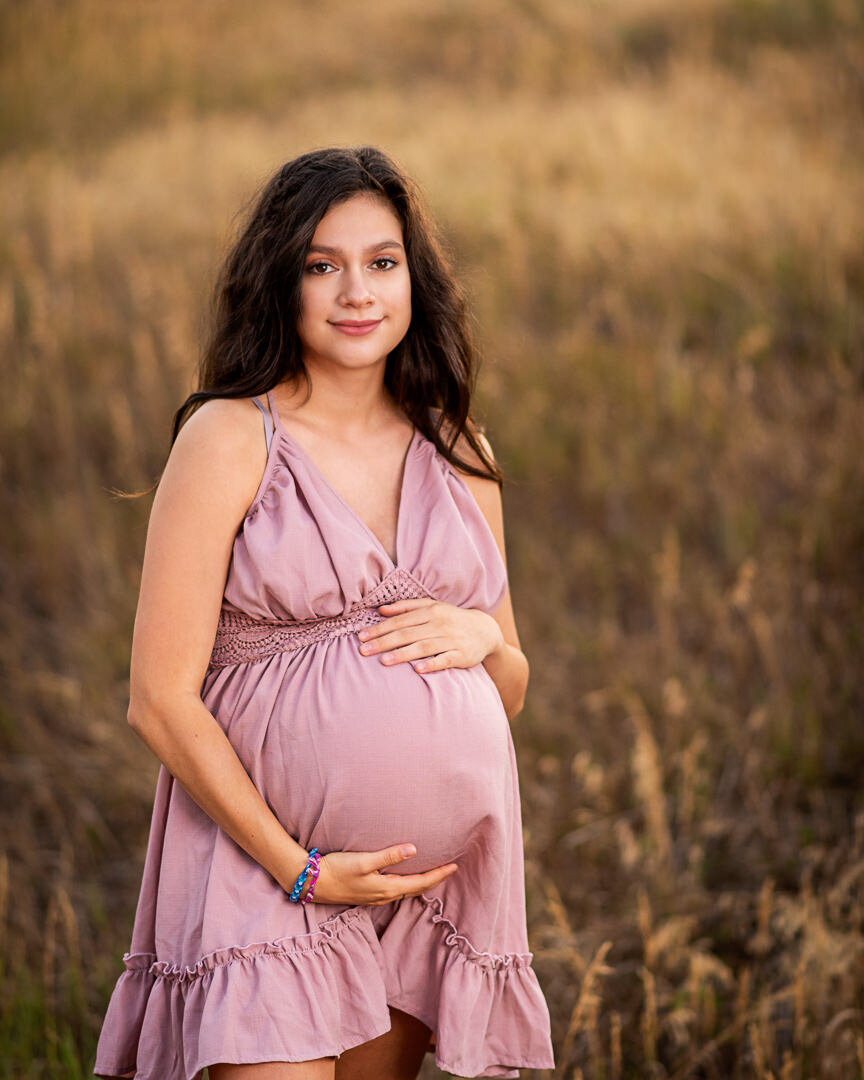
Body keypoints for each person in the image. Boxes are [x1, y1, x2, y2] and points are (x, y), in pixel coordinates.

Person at [93, 145, 555, 1080]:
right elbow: (159, 699)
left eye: (382, 262)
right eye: (321, 264)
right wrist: (300, 868)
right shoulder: (229, 437)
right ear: (281, 282)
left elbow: (507, 685)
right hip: (265, 872)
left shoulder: (461, 450)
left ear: (414, 281)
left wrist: (481, 639)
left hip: (421, 891)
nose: (357, 292)